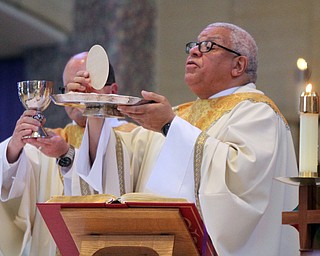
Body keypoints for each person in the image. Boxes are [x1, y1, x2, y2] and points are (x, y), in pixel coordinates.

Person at [68, 22, 299, 256]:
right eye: (194, 45)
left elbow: (241, 181)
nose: (194, 51)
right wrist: (96, 107)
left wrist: (169, 126)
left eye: (208, 46)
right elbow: (120, 165)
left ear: (238, 65)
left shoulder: (258, 113)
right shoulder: (180, 114)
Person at [0, 52, 133, 255]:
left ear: (113, 90)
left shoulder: (134, 138)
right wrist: (14, 148)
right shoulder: (51, 140)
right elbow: (12, 189)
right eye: (70, 88)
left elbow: (112, 190)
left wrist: (67, 154)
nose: (77, 92)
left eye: (87, 85)